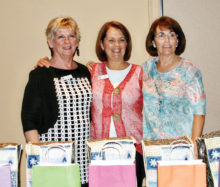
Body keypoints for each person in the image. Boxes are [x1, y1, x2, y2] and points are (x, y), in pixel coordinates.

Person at [36, 20, 145, 187]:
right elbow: (63, 70)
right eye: (111, 40)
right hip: (97, 152)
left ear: (127, 44)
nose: (117, 45)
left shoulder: (141, 73)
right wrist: (45, 63)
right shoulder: (90, 72)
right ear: (102, 44)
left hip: (132, 152)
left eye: (122, 39)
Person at [21, 17, 92, 187]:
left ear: (77, 41)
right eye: (61, 37)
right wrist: (39, 156)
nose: (67, 41)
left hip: (84, 155)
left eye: (72, 36)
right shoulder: (40, 75)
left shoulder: (85, 71)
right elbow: (29, 119)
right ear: (50, 42)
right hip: (53, 155)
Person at [142, 16, 206, 156]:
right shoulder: (146, 68)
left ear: (177, 40)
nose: (166, 40)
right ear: (153, 41)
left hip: (181, 149)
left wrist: (194, 147)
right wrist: (95, 67)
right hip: (152, 149)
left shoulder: (189, 71)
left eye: (171, 35)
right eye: (161, 35)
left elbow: (199, 113)